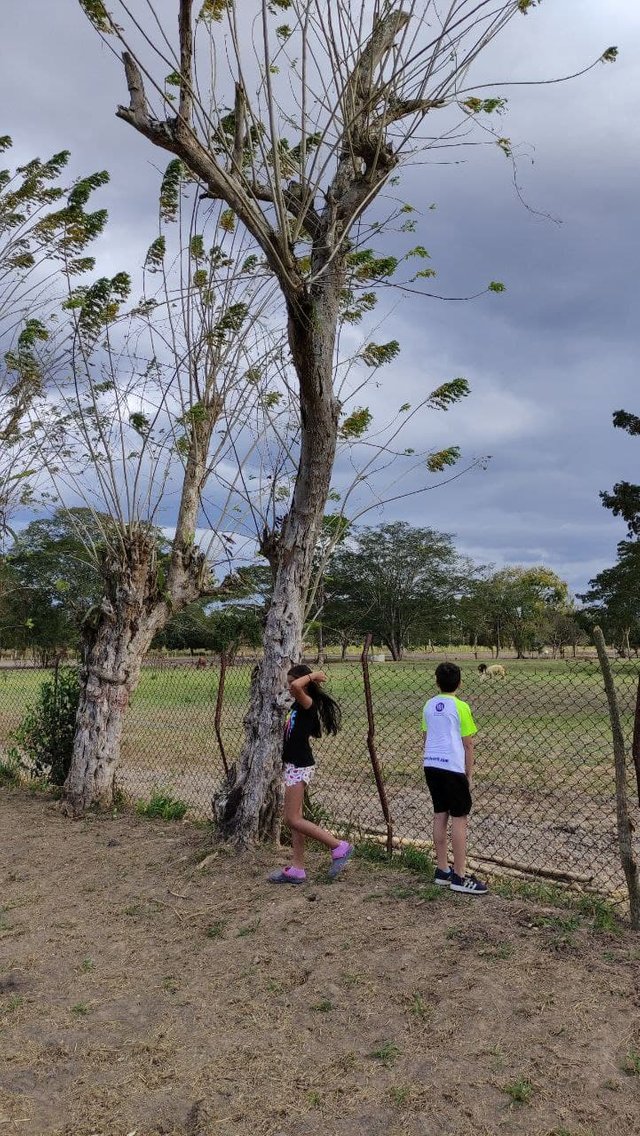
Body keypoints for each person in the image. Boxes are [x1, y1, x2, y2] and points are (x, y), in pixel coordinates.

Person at [268, 664, 354, 884]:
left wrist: (313, 676)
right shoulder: (297, 705)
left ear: (304, 684)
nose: (289, 687)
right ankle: (298, 868)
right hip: (293, 765)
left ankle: (338, 846)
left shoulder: (307, 703)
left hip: (300, 765)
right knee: (296, 820)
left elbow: (298, 685)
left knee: (292, 818)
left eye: (290, 682)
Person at [422, 661, 488, 895]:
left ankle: (442, 869)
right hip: (452, 767)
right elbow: (468, 744)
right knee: (459, 818)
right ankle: (459, 875)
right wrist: (468, 772)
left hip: (431, 765)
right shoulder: (461, 707)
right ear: (459, 683)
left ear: (437, 682)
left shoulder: (429, 705)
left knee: (440, 814)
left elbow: (426, 735)